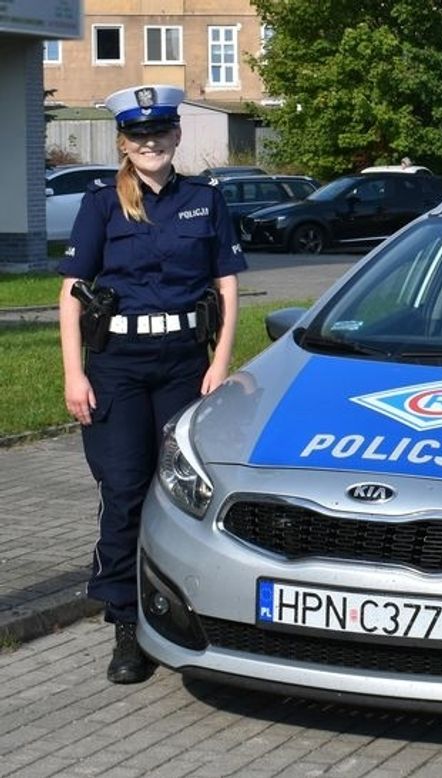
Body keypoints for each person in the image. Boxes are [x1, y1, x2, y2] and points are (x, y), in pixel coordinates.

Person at [57, 85, 247, 683]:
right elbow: (71, 293)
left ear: (176, 136)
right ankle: (126, 625)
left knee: (181, 492)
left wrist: (220, 363)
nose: (150, 143)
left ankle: (185, 610)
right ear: (124, 143)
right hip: (117, 364)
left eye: (160, 132)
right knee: (123, 491)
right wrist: (73, 373)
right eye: (139, 136)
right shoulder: (101, 204)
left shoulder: (204, 200)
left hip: (185, 364)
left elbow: (226, 285)